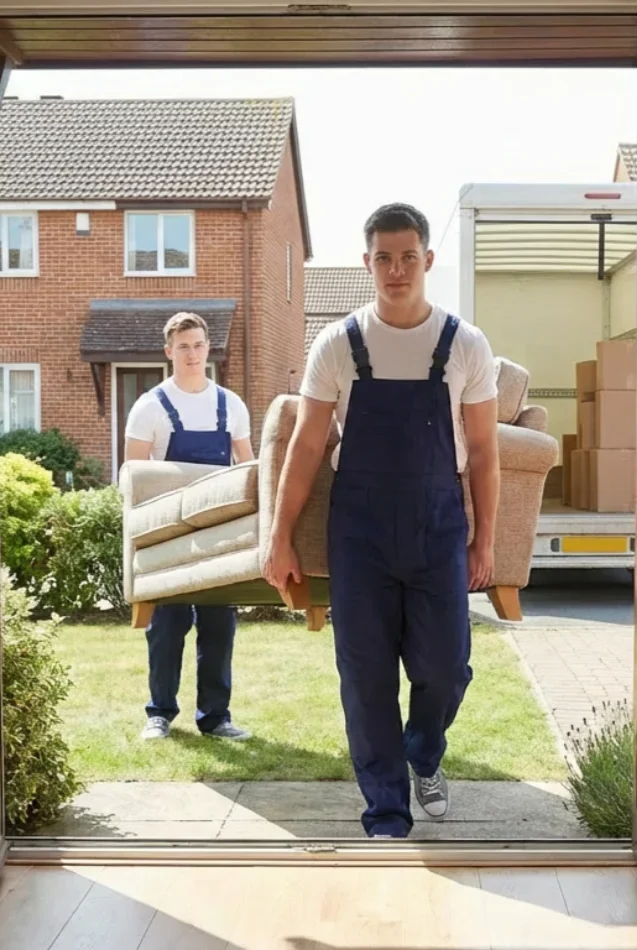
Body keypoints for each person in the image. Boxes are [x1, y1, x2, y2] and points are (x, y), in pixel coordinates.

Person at [263, 203, 500, 837]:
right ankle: (386, 813)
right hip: (360, 530)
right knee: (366, 675)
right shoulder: (338, 343)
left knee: (446, 667)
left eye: (408, 257)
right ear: (368, 263)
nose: (396, 269)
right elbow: (308, 445)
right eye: (383, 258)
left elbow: (482, 451)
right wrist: (278, 536)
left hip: (438, 522)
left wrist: (486, 541)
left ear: (426, 259)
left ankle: (423, 753)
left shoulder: (465, 345)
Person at [125, 311, 255, 742]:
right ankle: (159, 713)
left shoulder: (230, 405)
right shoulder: (149, 407)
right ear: (169, 351)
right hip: (170, 533)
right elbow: (135, 479)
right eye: (184, 346)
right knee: (168, 625)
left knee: (220, 626)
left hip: (219, 535)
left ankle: (216, 717)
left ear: (208, 348)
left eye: (199, 345)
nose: (193, 353)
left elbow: (249, 471)